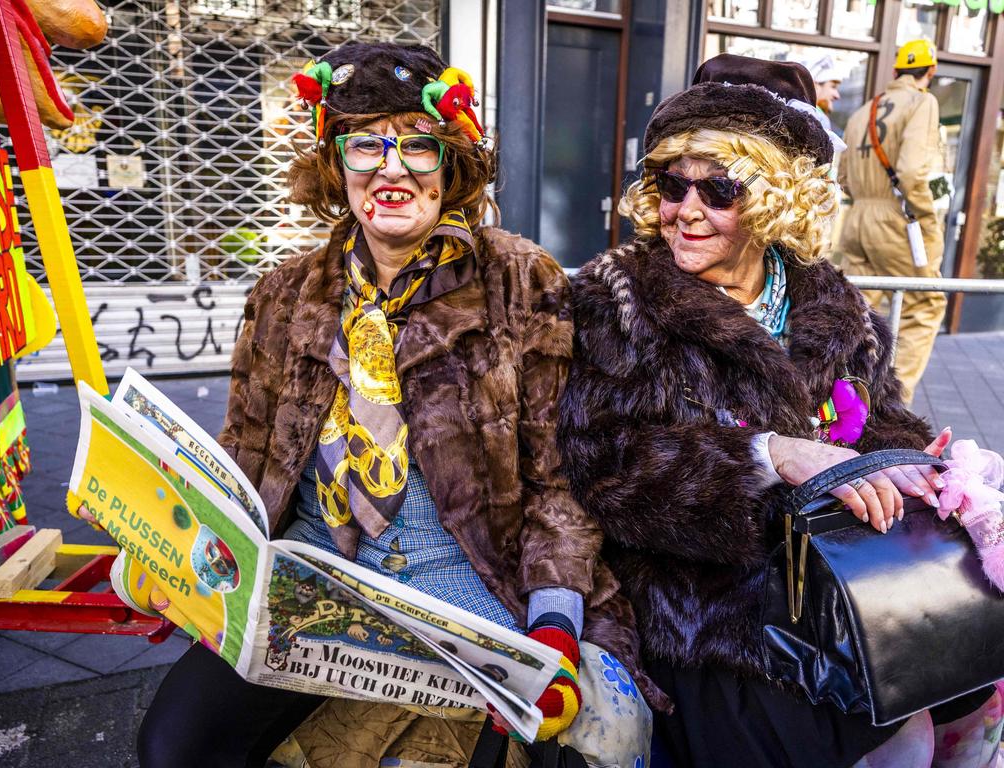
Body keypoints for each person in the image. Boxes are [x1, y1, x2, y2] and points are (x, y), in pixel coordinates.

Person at [135, 41, 664, 768]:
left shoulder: (523, 281)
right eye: (364, 147)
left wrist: (553, 627)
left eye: (418, 147)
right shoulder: (285, 293)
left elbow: (558, 484)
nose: (390, 168)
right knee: (174, 746)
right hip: (317, 575)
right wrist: (177, 548)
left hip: (473, 585)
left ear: (452, 165)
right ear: (335, 163)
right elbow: (243, 456)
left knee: (555, 751)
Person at [557, 53, 1004, 768]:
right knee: (800, 737)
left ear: (776, 198)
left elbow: (880, 416)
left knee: (959, 689)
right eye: (673, 184)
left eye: (720, 189)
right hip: (706, 612)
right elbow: (602, 468)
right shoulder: (614, 303)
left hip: (851, 589)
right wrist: (768, 457)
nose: (687, 210)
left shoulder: (834, 301)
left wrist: (917, 464)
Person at [838, 39, 946, 405]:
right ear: (929, 72)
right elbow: (913, 171)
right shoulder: (922, 102)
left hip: (858, 219)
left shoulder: (862, 112)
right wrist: (927, 220)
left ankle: (844, 399)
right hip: (899, 221)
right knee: (924, 305)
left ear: (897, 69)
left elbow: (845, 178)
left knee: (856, 311)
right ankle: (893, 403)